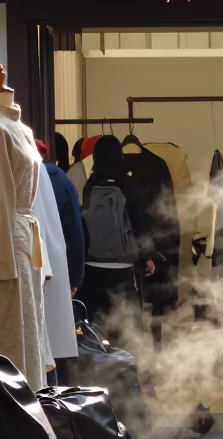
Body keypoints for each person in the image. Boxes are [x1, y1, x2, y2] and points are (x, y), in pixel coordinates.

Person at [76, 135, 156, 341]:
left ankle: (96, 370)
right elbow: (141, 224)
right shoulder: (129, 186)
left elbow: (84, 223)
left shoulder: (89, 187)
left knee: (95, 329)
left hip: (92, 272)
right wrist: (147, 257)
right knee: (126, 334)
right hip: (122, 272)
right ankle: (123, 371)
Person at [43, 135, 86, 297]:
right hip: (57, 264)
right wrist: (75, 277)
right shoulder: (63, 181)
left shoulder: (14, 176)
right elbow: (75, 232)